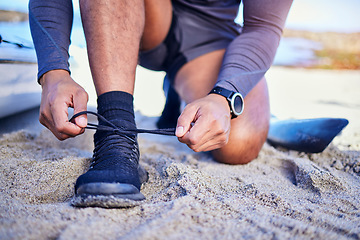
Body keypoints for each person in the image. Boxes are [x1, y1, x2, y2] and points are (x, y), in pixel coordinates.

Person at [29, 0, 293, 207]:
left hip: (211, 35)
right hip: (140, 15)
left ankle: (176, 89)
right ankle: (117, 133)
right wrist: (54, 73)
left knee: (239, 143)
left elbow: (263, 27)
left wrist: (223, 96)